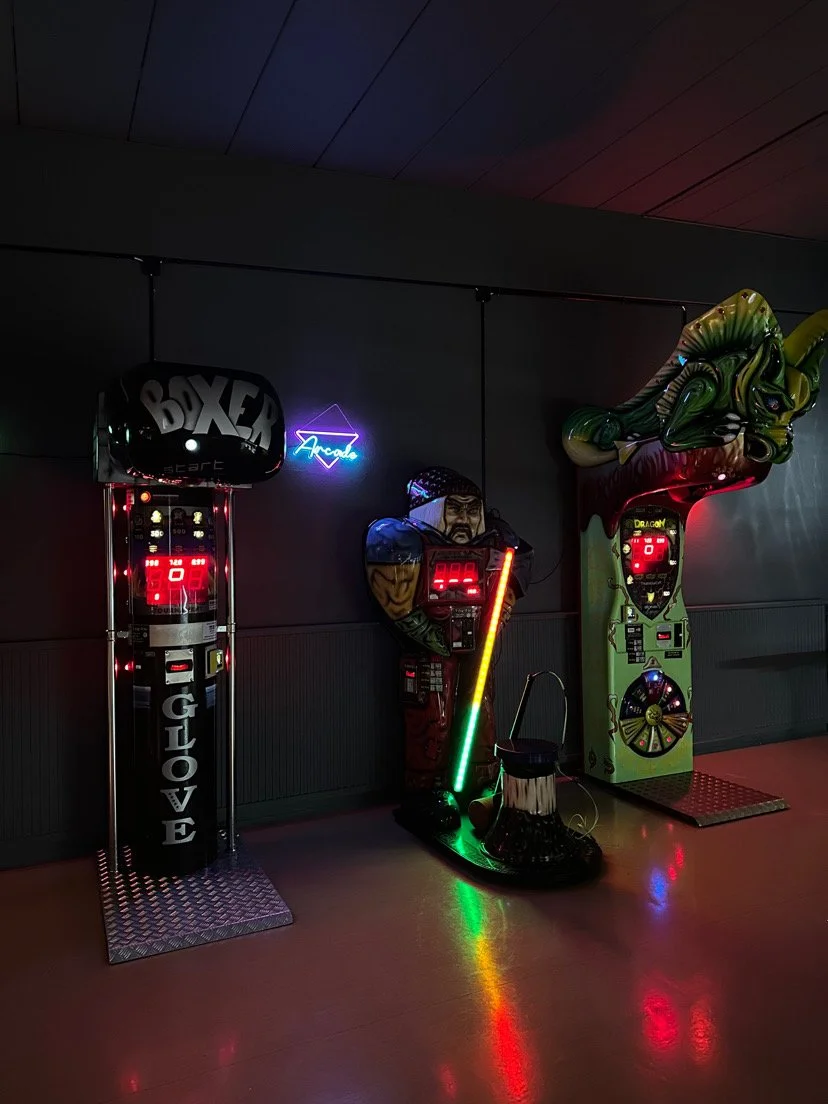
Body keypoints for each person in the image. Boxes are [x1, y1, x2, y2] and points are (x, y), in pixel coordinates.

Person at [365, 467, 533, 832]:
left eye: (472, 509)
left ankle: (480, 778)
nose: (464, 519)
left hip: (478, 634)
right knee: (432, 710)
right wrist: (428, 634)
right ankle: (427, 788)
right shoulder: (401, 538)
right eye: (454, 508)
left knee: (482, 705)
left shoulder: (496, 539)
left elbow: (513, 573)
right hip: (429, 641)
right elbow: (398, 603)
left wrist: (498, 613)